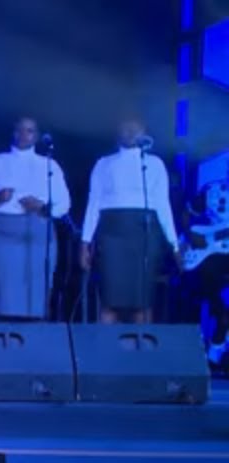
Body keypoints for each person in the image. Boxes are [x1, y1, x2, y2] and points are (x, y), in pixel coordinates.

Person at [0, 117, 71, 320]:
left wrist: (42, 207)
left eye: (29, 131)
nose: (23, 135)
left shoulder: (49, 165)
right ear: (13, 133)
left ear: (36, 136)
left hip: (36, 235)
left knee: (35, 297)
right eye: (19, 130)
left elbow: (64, 204)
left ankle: (34, 332)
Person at [80, 117, 179, 324]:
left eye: (136, 129)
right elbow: (94, 203)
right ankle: (106, 343)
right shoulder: (104, 164)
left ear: (144, 133)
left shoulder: (154, 164)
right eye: (126, 128)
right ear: (117, 132)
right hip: (112, 233)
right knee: (110, 299)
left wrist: (174, 244)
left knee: (142, 301)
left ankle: (141, 344)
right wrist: (85, 242)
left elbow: (163, 205)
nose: (131, 132)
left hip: (144, 233)